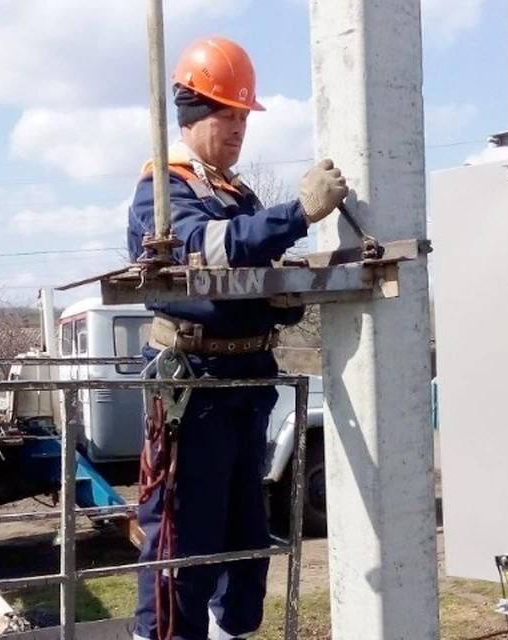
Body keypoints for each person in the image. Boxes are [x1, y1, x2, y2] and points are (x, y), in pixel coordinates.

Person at [127, 36, 348, 640]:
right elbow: (209, 250)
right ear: (193, 112)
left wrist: (278, 300)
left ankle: (235, 633)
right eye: (228, 113)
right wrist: (297, 214)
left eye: (244, 116)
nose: (238, 127)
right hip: (192, 389)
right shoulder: (164, 192)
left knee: (246, 544)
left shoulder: (235, 191)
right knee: (183, 543)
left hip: (245, 386)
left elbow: (247, 270)